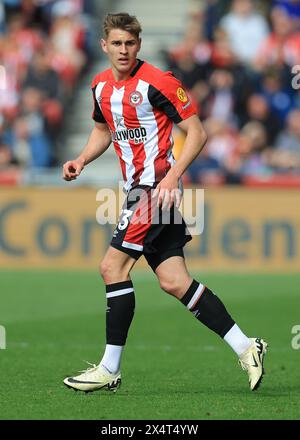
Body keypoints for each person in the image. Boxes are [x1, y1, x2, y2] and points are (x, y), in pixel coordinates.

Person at [62, 13, 267, 393]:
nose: (124, 50)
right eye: (117, 44)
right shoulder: (99, 86)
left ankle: (109, 369)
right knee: (174, 281)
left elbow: (198, 132)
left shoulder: (159, 82)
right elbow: (102, 129)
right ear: (104, 46)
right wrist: (81, 159)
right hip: (137, 189)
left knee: (112, 267)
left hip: (154, 188)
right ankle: (246, 346)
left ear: (138, 45)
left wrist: (172, 177)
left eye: (130, 43)